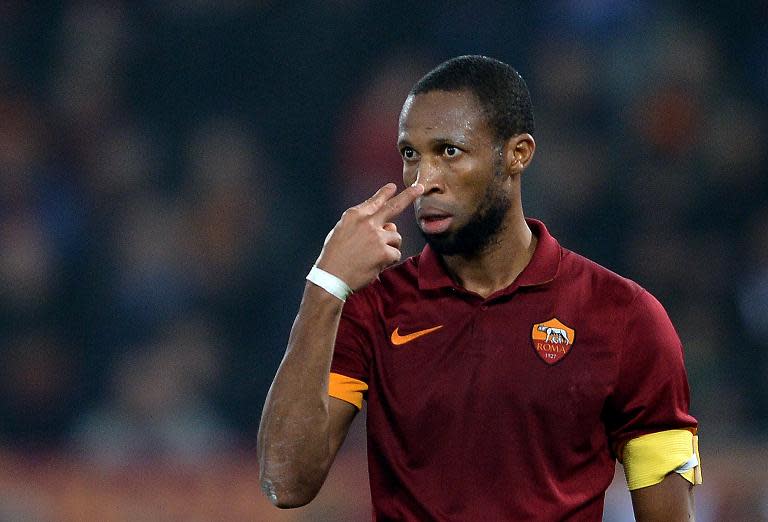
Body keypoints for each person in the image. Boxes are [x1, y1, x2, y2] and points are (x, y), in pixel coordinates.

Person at [257, 55, 701, 521]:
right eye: (410, 154)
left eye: (448, 152)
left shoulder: (624, 317)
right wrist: (325, 284)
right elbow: (286, 482)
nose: (423, 180)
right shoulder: (374, 307)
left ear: (517, 154)